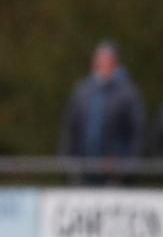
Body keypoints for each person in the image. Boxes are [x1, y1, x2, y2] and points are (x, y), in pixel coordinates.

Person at [59, 41, 144, 182]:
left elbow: (137, 134)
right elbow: (70, 128)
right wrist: (69, 161)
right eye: (99, 61)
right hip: (84, 170)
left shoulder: (128, 93)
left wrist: (123, 163)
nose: (102, 64)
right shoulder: (82, 91)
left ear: (115, 63)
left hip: (114, 174)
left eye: (107, 61)